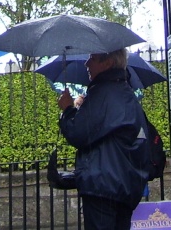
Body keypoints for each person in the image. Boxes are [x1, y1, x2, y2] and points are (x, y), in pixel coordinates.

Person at [57, 49, 150, 230]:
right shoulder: (126, 93)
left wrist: (68, 110)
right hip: (125, 186)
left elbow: (78, 133)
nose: (86, 64)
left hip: (102, 186)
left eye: (92, 58)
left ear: (107, 63)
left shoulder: (102, 93)